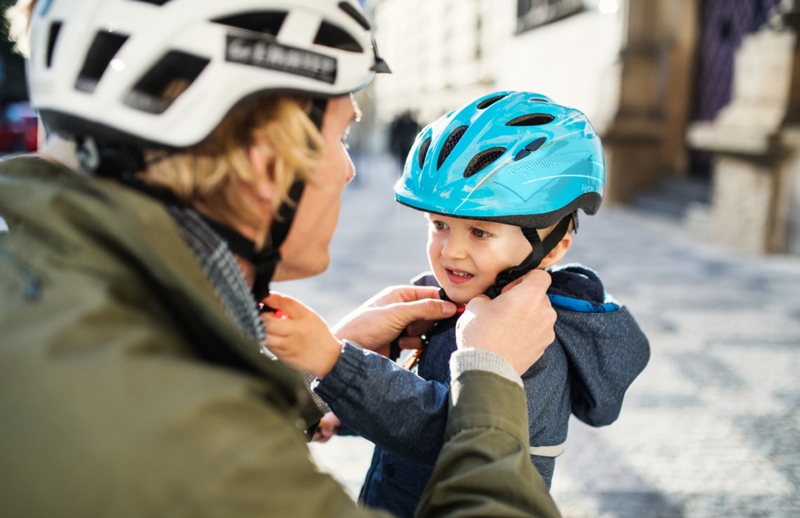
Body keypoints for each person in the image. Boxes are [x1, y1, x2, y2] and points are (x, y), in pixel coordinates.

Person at [0, 2, 563, 517]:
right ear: (266, 164)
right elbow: (199, 461)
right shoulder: (185, 444)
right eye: (342, 135)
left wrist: (310, 378)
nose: (348, 170)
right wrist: (491, 375)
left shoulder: (53, 298)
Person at [268, 92, 650, 518]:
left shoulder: (531, 340)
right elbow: (412, 394)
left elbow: (443, 430)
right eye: (440, 225)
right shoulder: (456, 308)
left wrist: (335, 362)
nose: (451, 251)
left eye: (480, 233)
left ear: (555, 245)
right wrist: (344, 414)